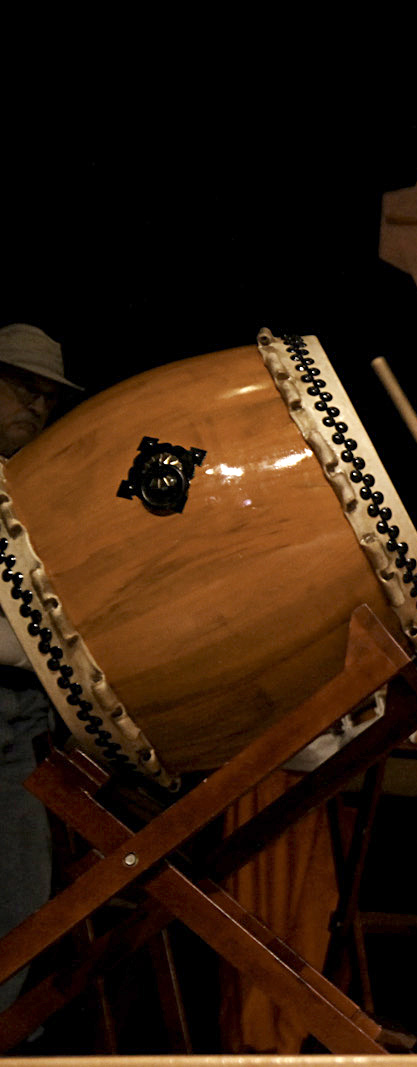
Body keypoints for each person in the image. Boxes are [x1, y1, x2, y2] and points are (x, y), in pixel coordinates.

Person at [0, 324, 77, 1016]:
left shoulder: (40, 487)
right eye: (24, 386)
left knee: (20, 905)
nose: (37, 404)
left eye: (48, 395)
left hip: (23, 721)